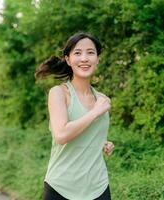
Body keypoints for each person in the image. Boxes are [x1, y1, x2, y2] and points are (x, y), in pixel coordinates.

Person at [35, 32, 115, 200]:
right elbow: (61, 135)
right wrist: (95, 112)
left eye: (90, 53)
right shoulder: (59, 93)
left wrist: (102, 143)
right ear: (68, 59)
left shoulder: (102, 99)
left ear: (98, 59)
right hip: (61, 188)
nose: (84, 58)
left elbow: (88, 132)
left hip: (98, 187)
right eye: (77, 53)